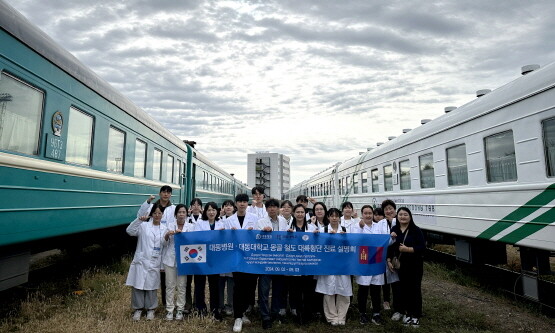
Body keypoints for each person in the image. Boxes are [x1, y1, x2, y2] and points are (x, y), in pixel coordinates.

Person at [126, 203, 168, 321]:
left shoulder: (165, 229)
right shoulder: (143, 226)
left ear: (162, 214)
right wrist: (139, 220)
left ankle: (150, 309)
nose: (157, 215)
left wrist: (162, 264)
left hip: (155, 261)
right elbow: (129, 231)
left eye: (159, 213)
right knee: (138, 285)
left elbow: (165, 246)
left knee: (151, 286)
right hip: (142, 260)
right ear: (151, 214)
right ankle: (138, 309)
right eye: (155, 213)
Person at [136, 186, 176, 309]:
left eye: (168, 192)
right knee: (150, 275)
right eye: (163, 192)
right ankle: (148, 304)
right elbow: (140, 216)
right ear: (160, 194)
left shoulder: (173, 208)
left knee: (165, 277)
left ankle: (165, 303)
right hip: (151, 242)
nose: (166, 194)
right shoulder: (151, 206)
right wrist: (147, 202)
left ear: (170, 195)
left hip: (166, 242)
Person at [387, 207, 425, 328]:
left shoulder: (416, 230)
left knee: (414, 289)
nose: (403, 217)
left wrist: (407, 249)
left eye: (405, 215)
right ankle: (406, 312)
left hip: (414, 265)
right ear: (397, 216)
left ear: (410, 217)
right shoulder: (394, 229)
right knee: (403, 289)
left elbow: (422, 248)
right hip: (400, 266)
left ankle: (415, 315)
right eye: (400, 214)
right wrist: (388, 260)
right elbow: (390, 247)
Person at [228, 193, 260, 333]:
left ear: (247, 204)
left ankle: (244, 310)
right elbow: (225, 239)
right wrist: (230, 233)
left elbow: (259, 237)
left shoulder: (254, 219)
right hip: (237, 259)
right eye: (239, 201)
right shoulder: (229, 220)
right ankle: (238, 316)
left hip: (251, 258)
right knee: (238, 286)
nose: (242, 204)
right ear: (236, 204)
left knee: (250, 286)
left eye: (244, 202)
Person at [315, 208, 351, 326]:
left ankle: (342, 316)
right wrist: (326, 237)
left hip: (342, 265)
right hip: (328, 265)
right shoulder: (323, 230)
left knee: (344, 290)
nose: (334, 218)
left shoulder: (345, 230)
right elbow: (317, 247)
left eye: (336, 216)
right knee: (329, 291)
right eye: (332, 216)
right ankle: (332, 317)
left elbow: (352, 247)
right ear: (328, 217)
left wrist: (345, 239)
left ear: (339, 217)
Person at [353, 205, 387, 325]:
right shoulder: (357, 226)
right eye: (365, 213)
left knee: (376, 289)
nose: (368, 215)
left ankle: (376, 314)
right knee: (363, 289)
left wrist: (392, 237)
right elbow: (355, 241)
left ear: (373, 214)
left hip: (377, 262)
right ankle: (362, 313)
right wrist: (361, 229)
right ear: (362, 214)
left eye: (370, 213)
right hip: (363, 261)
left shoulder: (379, 227)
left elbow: (385, 240)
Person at [256, 198, 289, 329]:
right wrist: (262, 233)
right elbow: (256, 240)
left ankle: (274, 313)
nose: (272, 209)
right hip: (265, 261)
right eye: (270, 206)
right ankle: (265, 316)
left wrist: (290, 233)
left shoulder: (283, 221)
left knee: (277, 289)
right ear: (266, 209)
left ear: (278, 208)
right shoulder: (260, 222)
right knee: (263, 290)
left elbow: (286, 239)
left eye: (275, 206)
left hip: (279, 260)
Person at [193, 202, 226, 319]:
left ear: (217, 212)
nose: (211, 212)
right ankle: (200, 308)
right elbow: (197, 238)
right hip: (201, 258)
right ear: (205, 212)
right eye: (209, 210)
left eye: (213, 210)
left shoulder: (221, 224)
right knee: (199, 285)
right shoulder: (199, 223)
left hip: (215, 260)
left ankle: (214, 309)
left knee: (214, 285)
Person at [286, 204, 317, 325]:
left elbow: (317, 243)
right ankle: (298, 314)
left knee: (308, 290)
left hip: (308, 263)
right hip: (294, 264)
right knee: (295, 290)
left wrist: (316, 235)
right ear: (294, 213)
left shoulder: (311, 227)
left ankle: (307, 315)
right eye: (297, 212)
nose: (300, 214)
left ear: (305, 214)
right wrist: (287, 236)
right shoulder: (288, 227)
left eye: (302, 212)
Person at [162, 204, 189, 321]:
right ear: (176, 214)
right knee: (170, 286)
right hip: (170, 260)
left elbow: (196, 242)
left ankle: (179, 309)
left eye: (183, 212)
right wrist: (168, 234)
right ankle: (169, 310)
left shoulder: (191, 227)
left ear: (187, 214)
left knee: (182, 286)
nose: (181, 214)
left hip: (184, 260)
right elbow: (163, 243)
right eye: (179, 212)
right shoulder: (169, 226)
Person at [380, 199, 402, 318]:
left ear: (394, 209)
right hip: (386, 257)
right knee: (388, 281)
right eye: (386, 209)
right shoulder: (381, 223)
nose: (388, 211)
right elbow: (381, 241)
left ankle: (399, 309)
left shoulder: (400, 222)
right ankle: (389, 303)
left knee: (397, 285)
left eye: (390, 208)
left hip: (397, 257)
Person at [185, 197, 202, 313]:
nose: (196, 206)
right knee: (187, 281)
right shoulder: (186, 219)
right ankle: (187, 304)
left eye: (198, 205)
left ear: (201, 207)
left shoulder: (203, 220)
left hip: (200, 253)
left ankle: (198, 303)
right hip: (187, 253)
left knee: (199, 280)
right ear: (191, 207)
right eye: (193, 204)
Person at [219, 199, 236, 316]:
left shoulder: (236, 220)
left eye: (230, 205)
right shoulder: (219, 220)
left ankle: (230, 305)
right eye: (226, 205)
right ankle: (220, 305)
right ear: (223, 208)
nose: (228, 207)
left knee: (231, 282)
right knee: (220, 281)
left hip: (232, 255)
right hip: (221, 255)